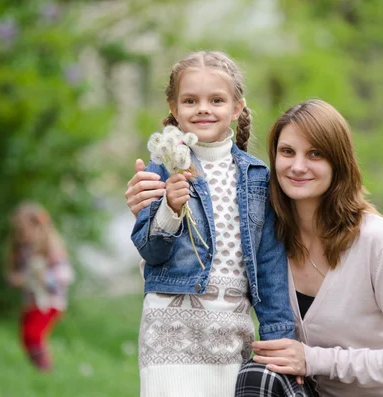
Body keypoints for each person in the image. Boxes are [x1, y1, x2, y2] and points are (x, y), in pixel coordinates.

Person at [126, 98, 383, 396]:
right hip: (308, 393)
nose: (298, 166)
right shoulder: (264, 236)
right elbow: (182, 265)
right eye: (288, 152)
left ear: (338, 162)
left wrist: (312, 359)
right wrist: (155, 211)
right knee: (258, 376)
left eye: (315, 154)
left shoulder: (375, 239)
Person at [129, 51, 296, 397]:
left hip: (229, 331)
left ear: (236, 108)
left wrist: (280, 340)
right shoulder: (161, 168)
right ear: (174, 109)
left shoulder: (257, 178)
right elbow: (151, 251)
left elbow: (269, 266)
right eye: (190, 100)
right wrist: (171, 209)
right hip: (169, 330)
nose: (203, 108)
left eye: (216, 100)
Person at [5, 201, 74, 372]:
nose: (20, 236)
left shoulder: (51, 248)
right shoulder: (24, 249)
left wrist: (46, 278)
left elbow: (66, 274)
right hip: (32, 301)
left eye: (23, 231)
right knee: (25, 337)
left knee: (33, 334)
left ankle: (45, 369)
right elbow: (20, 274)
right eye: (18, 232)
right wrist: (17, 279)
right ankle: (36, 367)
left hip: (50, 301)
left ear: (38, 227)